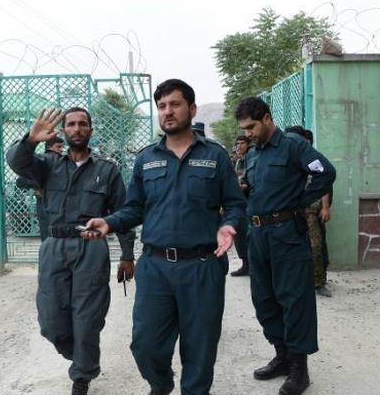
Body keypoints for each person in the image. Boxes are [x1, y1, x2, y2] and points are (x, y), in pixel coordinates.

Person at [82, 79, 246, 395]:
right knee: (145, 344)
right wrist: (109, 223)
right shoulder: (146, 159)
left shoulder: (215, 156)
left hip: (202, 266)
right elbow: (134, 208)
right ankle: (161, 383)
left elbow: (236, 204)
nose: (168, 112)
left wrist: (229, 226)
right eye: (162, 106)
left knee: (200, 348)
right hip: (156, 266)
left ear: (192, 109)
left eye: (175, 104)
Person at [6, 107, 136, 395]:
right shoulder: (47, 165)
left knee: (87, 317)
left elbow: (124, 213)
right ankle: (80, 356)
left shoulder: (107, 169)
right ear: (63, 131)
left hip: (91, 247)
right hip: (54, 246)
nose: (77, 129)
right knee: (51, 321)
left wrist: (127, 255)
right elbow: (16, 163)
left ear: (90, 129)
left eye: (83, 124)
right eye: (71, 124)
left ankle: (82, 376)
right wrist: (30, 139)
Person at [235, 97, 335, 395]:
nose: (248, 133)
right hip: (258, 236)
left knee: (294, 301)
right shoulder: (253, 155)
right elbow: (257, 188)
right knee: (264, 300)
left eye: (251, 127)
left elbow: (325, 172)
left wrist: (300, 201)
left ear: (266, 118)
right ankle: (282, 355)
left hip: (287, 235)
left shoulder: (293, 145)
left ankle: (299, 369)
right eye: (244, 129)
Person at [283, 126, 333, 298]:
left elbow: (324, 183)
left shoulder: (311, 157)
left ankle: (319, 282)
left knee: (316, 247)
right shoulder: (286, 157)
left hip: (311, 212)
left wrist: (325, 207)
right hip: (289, 213)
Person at [15, 136, 64, 240]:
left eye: (62, 147)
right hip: (43, 201)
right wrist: (40, 183)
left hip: (59, 201)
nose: (61, 150)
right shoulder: (40, 161)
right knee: (47, 233)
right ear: (49, 147)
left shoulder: (63, 162)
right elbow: (20, 182)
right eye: (58, 147)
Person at [230, 134, 251, 276]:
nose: (239, 146)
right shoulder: (238, 161)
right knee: (239, 234)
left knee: (250, 235)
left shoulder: (252, 158)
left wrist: (246, 185)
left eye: (242, 143)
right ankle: (245, 263)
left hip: (250, 201)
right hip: (239, 202)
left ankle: (253, 264)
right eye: (237, 143)